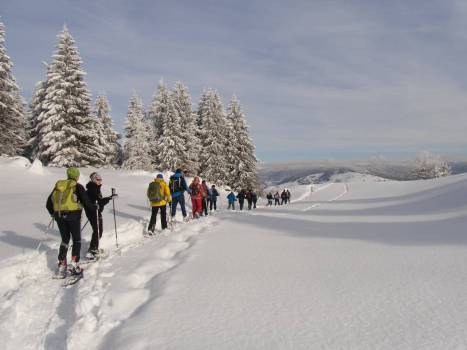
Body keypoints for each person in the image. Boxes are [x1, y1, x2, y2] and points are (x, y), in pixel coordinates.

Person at [46, 167, 95, 278]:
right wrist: (94, 208)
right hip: (73, 216)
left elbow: (48, 204)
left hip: (59, 216)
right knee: (76, 240)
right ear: (76, 176)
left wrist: (53, 214)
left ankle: (62, 265)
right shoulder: (77, 187)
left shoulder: (59, 187)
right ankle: (74, 265)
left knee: (65, 240)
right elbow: (86, 202)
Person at [84, 172, 116, 260]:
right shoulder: (92, 189)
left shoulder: (95, 188)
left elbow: (99, 201)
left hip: (95, 212)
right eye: (98, 179)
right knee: (98, 231)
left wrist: (109, 198)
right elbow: (99, 201)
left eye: (100, 179)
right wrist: (109, 198)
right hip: (93, 212)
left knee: (98, 231)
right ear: (93, 180)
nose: (100, 181)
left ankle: (94, 248)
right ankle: (92, 251)